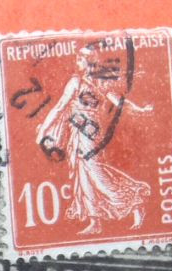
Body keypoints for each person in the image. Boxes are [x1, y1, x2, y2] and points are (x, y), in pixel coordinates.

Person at [35, 43, 156, 236]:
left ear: (90, 63)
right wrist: (45, 128)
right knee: (84, 176)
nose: (78, 63)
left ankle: (134, 200)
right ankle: (95, 221)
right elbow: (60, 108)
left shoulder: (99, 83)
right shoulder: (75, 82)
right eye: (77, 59)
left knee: (96, 175)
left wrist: (139, 110)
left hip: (91, 134)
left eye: (81, 60)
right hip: (78, 133)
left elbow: (120, 102)